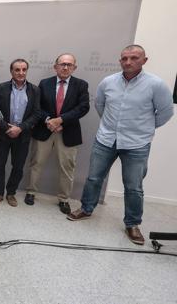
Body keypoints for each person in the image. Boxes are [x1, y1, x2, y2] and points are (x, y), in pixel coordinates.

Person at [67, 45, 173, 245]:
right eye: (124, 58)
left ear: (144, 60)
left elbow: (165, 112)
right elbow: (100, 105)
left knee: (133, 187)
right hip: (106, 139)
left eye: (134, 58)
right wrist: (109, 126)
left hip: (136, 144)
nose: (128, 62)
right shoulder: (108, 82)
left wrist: (144, 129)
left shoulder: (156, 85)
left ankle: (132, 224)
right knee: (93, 178)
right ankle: (86, 208)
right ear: (120, 60)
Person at [24, 53, 90, 214]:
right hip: (44, 130)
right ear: (55, 67)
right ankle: (31, 192)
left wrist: (60, 120)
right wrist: (48, 120)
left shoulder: (81, 85)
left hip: (68, 132)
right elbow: (37, 106)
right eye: (62, 64)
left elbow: (83, 107)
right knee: (36, 163)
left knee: (67, 167)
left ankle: (63, 199)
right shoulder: (44, 83)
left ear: (74, 67)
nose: (65, 67)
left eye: (69, 64)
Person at [0, 59, 41, 207]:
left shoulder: (35, 90)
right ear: (11, 71)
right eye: (17, 70)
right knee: (0, 164)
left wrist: (20, 128)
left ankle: (11, 193)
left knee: (18, 167)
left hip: (23, 135)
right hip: (4, 134)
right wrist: (6, 128)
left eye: (24, 69)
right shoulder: (1, 88)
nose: (21, 73)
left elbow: (37, 113)